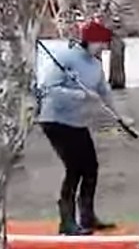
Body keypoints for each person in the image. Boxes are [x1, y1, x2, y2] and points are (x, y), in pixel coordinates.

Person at [36, 19, 131, 235]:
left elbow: (104, 92)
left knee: (91, 168)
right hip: (55, 120)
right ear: (91, 41)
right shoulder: (66, 58)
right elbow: (47, 88)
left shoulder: (95, 64)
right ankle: (67, 222)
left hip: (77, 122)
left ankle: (87, 218)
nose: (105, 48)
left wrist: (119, 116)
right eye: (102, 43)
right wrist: (78, 94)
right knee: (74, 168)